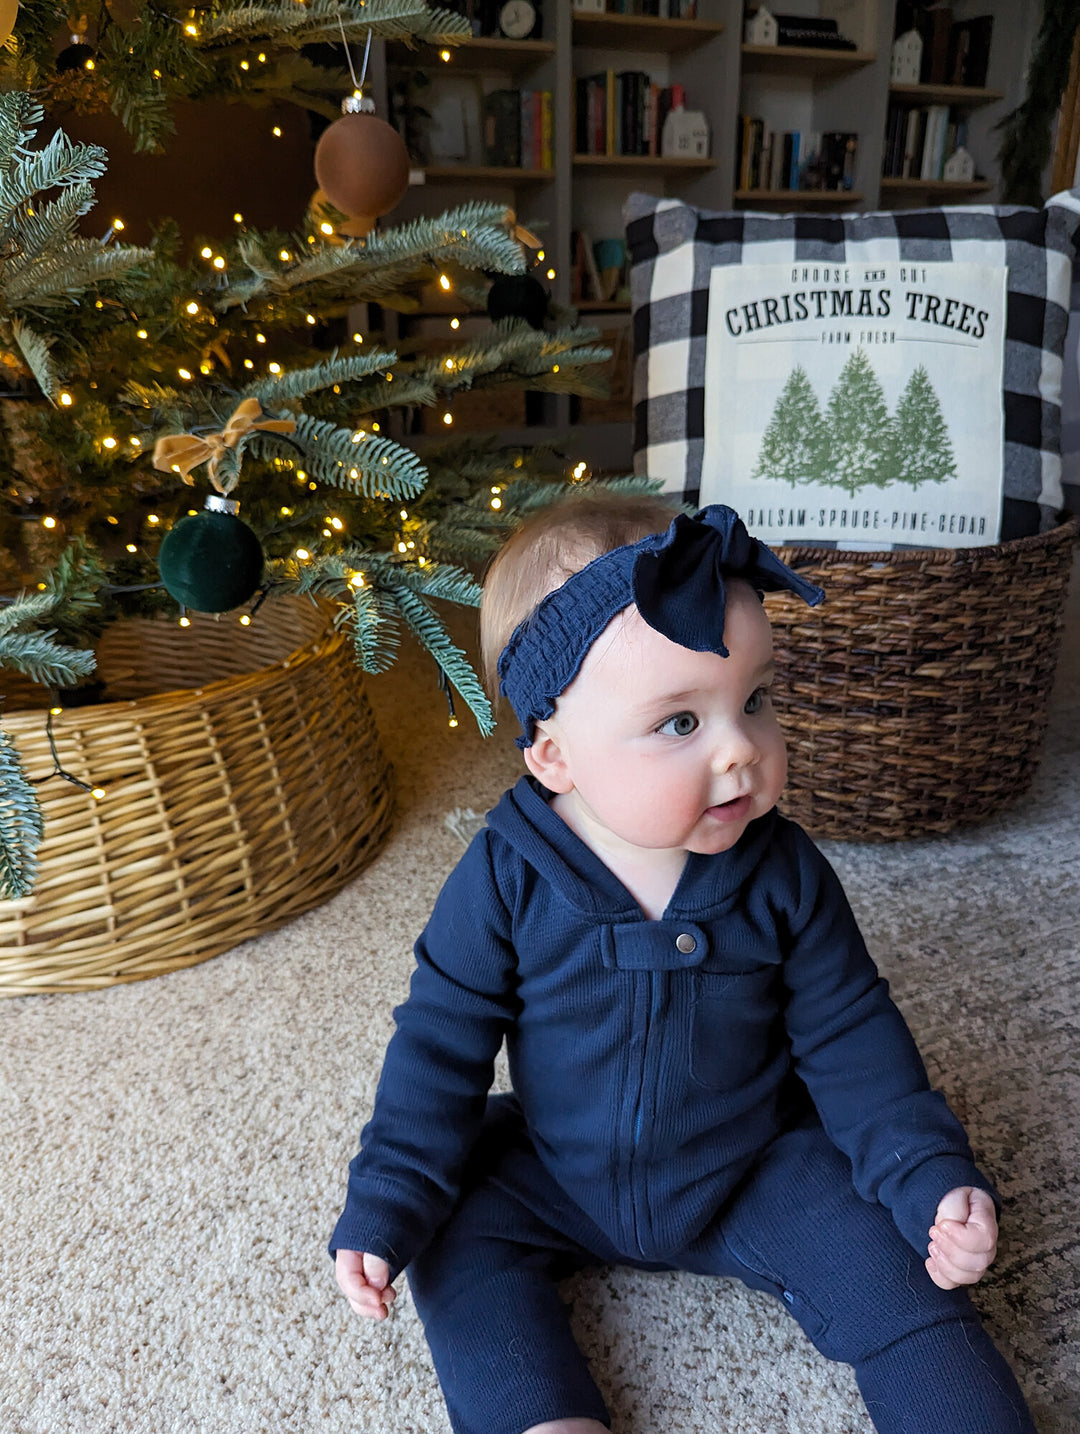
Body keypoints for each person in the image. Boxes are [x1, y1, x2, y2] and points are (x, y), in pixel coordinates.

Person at [330, 494, 1035, 1434]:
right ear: (552, 755)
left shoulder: (783, 872)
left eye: (754, 701)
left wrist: (927, 1173)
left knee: (893, 1259)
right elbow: (438, 1046)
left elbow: (852, 1031)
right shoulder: (504, 875)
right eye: (679, 724)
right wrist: (388, 1203)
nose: (742, 750)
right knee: (452, 1235)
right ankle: (541, 1416)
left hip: (754, 1163)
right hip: (556, 1165)